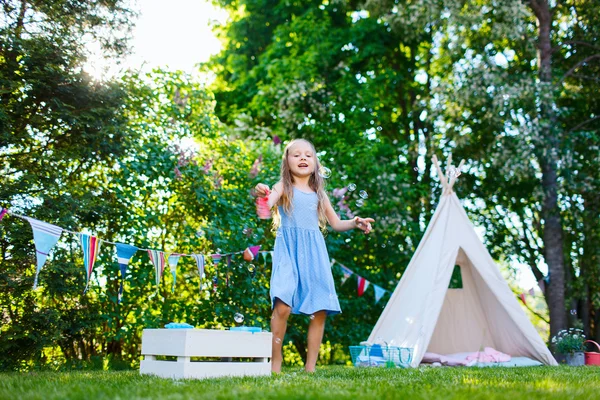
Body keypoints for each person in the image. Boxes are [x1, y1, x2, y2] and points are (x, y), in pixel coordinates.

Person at [254, 139, 374, 373]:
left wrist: (355, 222)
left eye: (308, 155)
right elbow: (267, 206)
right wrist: (263, 195)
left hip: (314, 253)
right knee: (282, 306)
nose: (302, 158)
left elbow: (336, 223)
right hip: (288, 250)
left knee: (319, 309)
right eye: (296, 154)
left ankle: (310, 368)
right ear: (286, 162)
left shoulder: (319, 193)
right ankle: (275, 362)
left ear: (316, 163)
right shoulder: (283, 186)